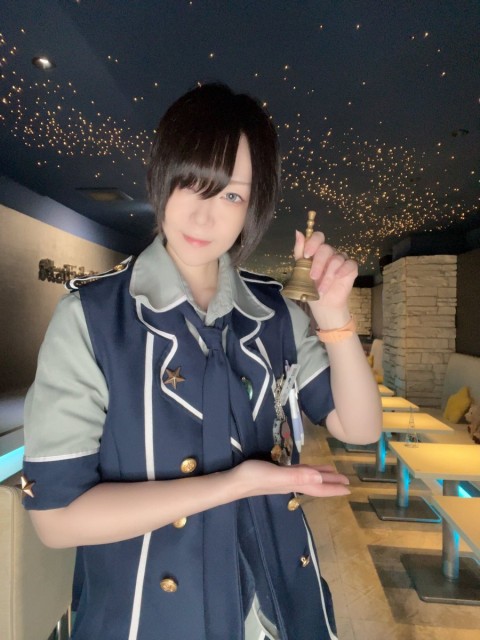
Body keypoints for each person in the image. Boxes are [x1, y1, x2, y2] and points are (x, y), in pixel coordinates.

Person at [22, 83, 382, 640]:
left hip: (275, 607)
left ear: (253, 207)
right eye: (191, 183)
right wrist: (234, 485)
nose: (204, 215)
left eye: (231, 196)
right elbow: (56, 519)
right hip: (147, 619)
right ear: (161, 176)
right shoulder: (92, 320)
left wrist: (335, 316)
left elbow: (359, 428)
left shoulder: (274, 316)